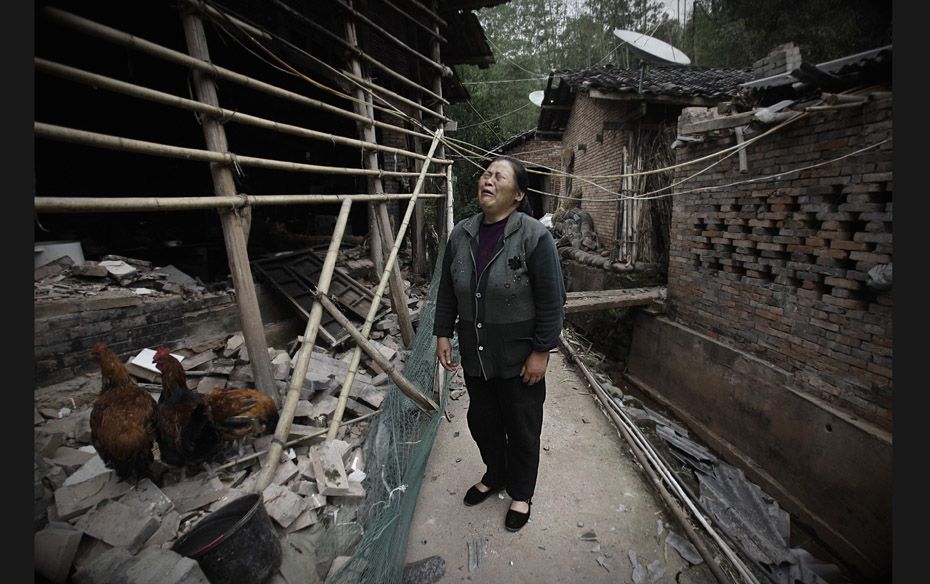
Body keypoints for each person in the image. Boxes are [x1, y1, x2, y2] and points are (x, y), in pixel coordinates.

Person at [433, 155, 566, 532]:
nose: (488, 180)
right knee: (483, 421)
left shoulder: (535, 237)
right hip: (477, 354)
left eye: (499, 177)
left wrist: (541, 351)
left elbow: (552, 299)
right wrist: (443, 332)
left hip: (520, 356)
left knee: (522, 425)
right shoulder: (462, 233)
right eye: (486, 174)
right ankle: (496, 473)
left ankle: (521, 492)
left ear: (518, 194)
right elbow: (447, 289)